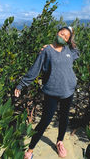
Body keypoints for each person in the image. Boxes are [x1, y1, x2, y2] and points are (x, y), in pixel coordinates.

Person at [14, 26, 80, 159]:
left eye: (66, 37)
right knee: (45, 121)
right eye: (62, 34)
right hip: (52, 91)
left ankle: (59, 142)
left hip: (69, 90)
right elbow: (35, 69)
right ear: (57, 33)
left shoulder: (68, 50)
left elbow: (77, 52)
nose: (63, 37)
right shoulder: (46, 51)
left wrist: (72, 37)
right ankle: (30, 150)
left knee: (64, 117)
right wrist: (22, 84)